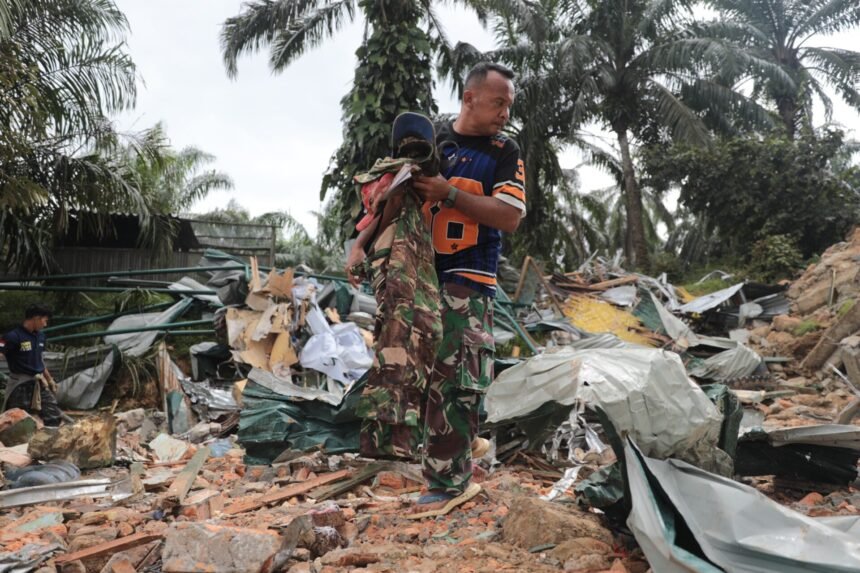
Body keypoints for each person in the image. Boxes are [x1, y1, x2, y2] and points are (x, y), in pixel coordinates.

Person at [408, 62, 526, 518]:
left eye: (509, 105)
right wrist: (361, 245)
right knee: (419, 376)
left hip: (469, 276)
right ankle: (448, 459)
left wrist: (450, 192)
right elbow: (394, 196)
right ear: (470, 97)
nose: (504, 113)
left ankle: (447, 482)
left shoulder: (503, 150)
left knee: (457, 379)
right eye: (499, 102)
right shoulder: (434, 139)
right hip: (420, 274)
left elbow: (510, 216)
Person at [1, 304, 63, 426]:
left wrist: (49, 380)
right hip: (19, 384)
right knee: (16, 422)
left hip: (38, 383)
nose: (45, 324)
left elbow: (39, 360)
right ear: (36, 318)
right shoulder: (13, 336)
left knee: (54, 415)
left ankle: (49, 443)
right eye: (45, 320)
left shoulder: (41, 336)